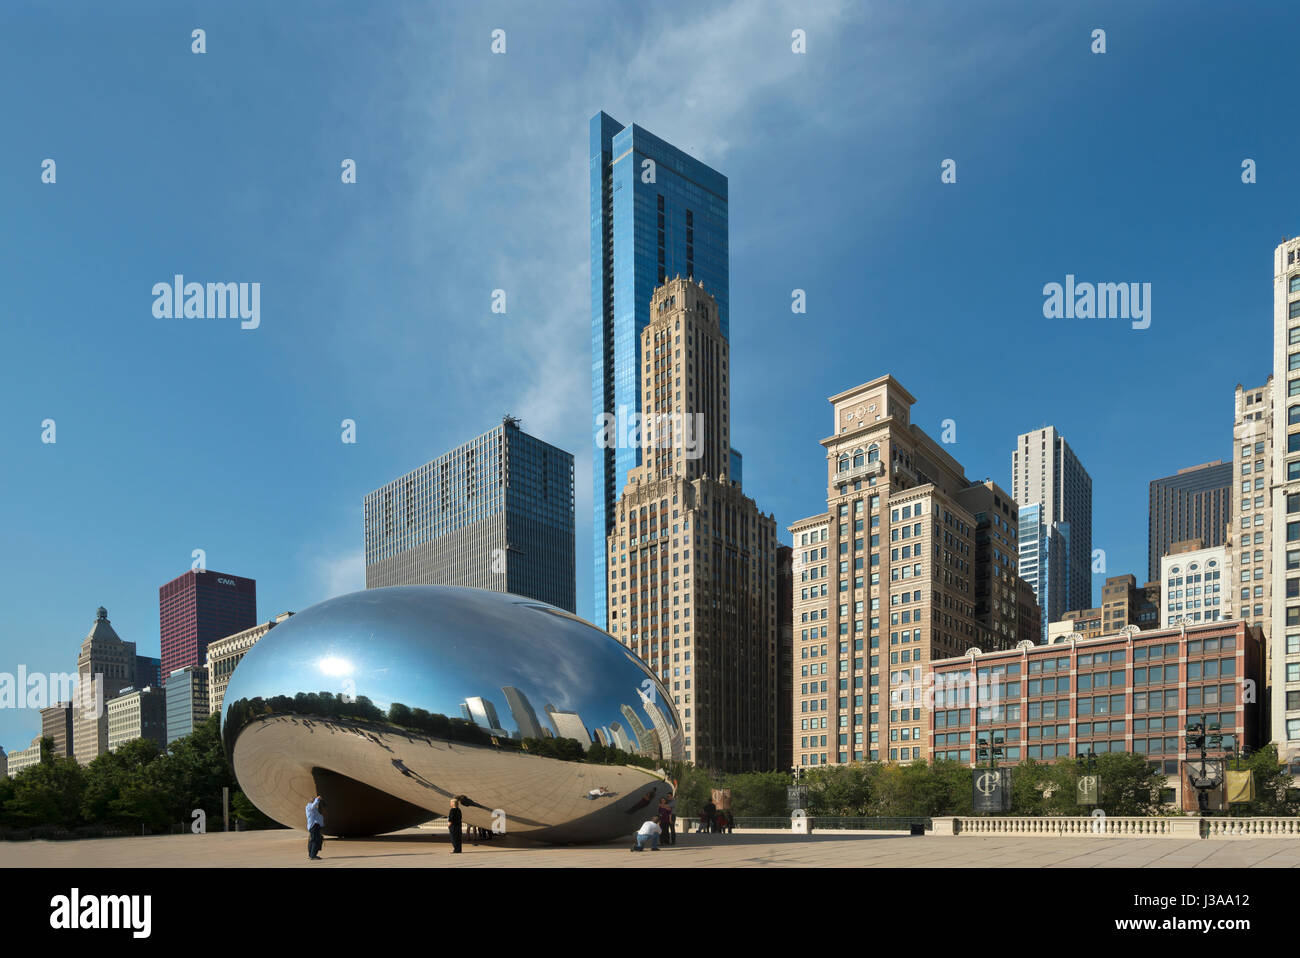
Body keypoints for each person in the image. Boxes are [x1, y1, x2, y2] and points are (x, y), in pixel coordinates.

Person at [305, 795, 324, 861]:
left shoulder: (314, 809)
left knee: (313, 840)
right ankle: (313, 855)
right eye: (314, 799)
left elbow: (319, 817)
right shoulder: (309, 806)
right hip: (313, 826)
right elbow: (314, 805)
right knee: (314, 841)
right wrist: (317, 799)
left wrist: (321, 825)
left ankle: (311, 855)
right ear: (312, 801)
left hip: (315, 826)